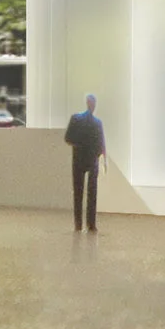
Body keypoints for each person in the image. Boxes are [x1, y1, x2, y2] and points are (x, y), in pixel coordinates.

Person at [63, 93, 107, 232]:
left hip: (87, 160)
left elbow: (101, 142)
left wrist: (101, 156)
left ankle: (86, 224)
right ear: (89, 104)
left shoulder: (92, 122)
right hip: (84, 159)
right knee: (82, 193)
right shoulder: (80, 119)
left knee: (87, 193)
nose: (93, 106)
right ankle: (84, 224)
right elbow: (68, 138)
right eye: (92, 103)